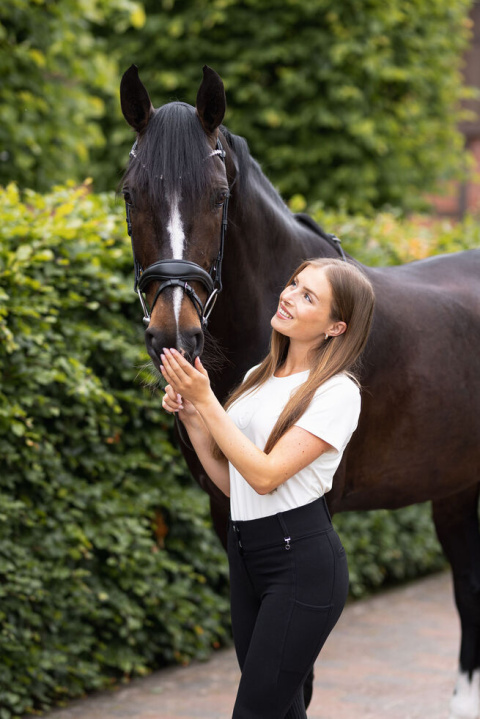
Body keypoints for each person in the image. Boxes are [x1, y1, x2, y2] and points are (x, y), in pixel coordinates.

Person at [160, 257, 375, 719]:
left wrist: (205, 400)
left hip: (301, 565)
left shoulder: (338, 392)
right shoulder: (258, 376)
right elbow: (235, 483)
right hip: (247, 555)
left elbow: (265, 474)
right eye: (294, 284)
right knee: (281, 711)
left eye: (308, 295)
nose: (289, 295)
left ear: (336, 327)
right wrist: (194, 417)